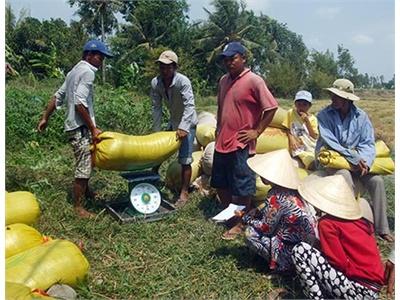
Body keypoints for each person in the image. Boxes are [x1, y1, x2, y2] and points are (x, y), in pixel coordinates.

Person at [210, 41, 278, 240]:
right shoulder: (223, 80)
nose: (229, 62)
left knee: (242, 186)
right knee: (221, 182)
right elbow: (222, 106)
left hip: (241, 142)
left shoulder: (254, 80)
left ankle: (240, 223)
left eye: (233, 58)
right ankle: (231, 217)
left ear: (243, 58)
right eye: (226, 59)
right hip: (223, 140)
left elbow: (271, 108)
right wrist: (218, 127)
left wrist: (256, 131)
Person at [37, 40, 113, 218]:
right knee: (83, 167)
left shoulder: (73, 71)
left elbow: (58, 96)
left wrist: (45, 117)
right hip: (80, 128)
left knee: (86, 162)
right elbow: (80, 101)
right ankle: (78, 208)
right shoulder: (87, 72)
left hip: (73, 127)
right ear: (88, 55)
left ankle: (87, 193)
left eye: (102, 58)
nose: (101, 61)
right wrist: (93, 128)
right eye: (99, 57)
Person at [316, 78, 393, 242]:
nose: (333, 99)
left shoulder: (361, 117)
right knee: (344, 175)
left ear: (347, 99)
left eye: (337, 96)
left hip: (357, 160)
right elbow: (331, 143)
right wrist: (353, 158)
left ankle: (382, 228)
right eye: (333, 95)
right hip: (333, 158)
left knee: (377, 181)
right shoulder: (324, 115)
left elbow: (368, 143)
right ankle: (348, 224)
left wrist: (364, 161)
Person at [292, 173, 387, 299]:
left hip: (359, 291)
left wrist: (319, 249)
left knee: (300, 250)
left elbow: (339, 263)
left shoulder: (327, 223)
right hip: (373, 290)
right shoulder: (358, 219)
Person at [235, 149, 316, 272]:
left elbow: (266, 228)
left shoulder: (277, 197)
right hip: (306, 244)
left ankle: (282, 264)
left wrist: (245, 218)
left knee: (250, 233)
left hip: (292, 248)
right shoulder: (294, 191)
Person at [150, 50, 198, 208]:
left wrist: (184, 127)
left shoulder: (182, 81)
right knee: (159, 151)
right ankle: (151, 178)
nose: (164, 70)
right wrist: (157, 131)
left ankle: (184, 192)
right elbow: (156, 107)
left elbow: (190, 105)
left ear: (175, 67)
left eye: (168, 67)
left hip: (187, 122)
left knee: (185, 159)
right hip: (173, 121)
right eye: (161, 67)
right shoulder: (156, 83)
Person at [282, 90, 318, 169]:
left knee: (314, 160)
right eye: (299, 104)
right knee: (309, 161)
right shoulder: (291, 113)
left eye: (304, 104)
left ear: (309, 106)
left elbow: (314, 136)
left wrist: (307, 121)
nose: (301, 107)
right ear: (295, 104)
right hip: (298, 147)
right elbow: (287, 127)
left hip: (309, 146)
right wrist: (292, 139)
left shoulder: (313, 119)